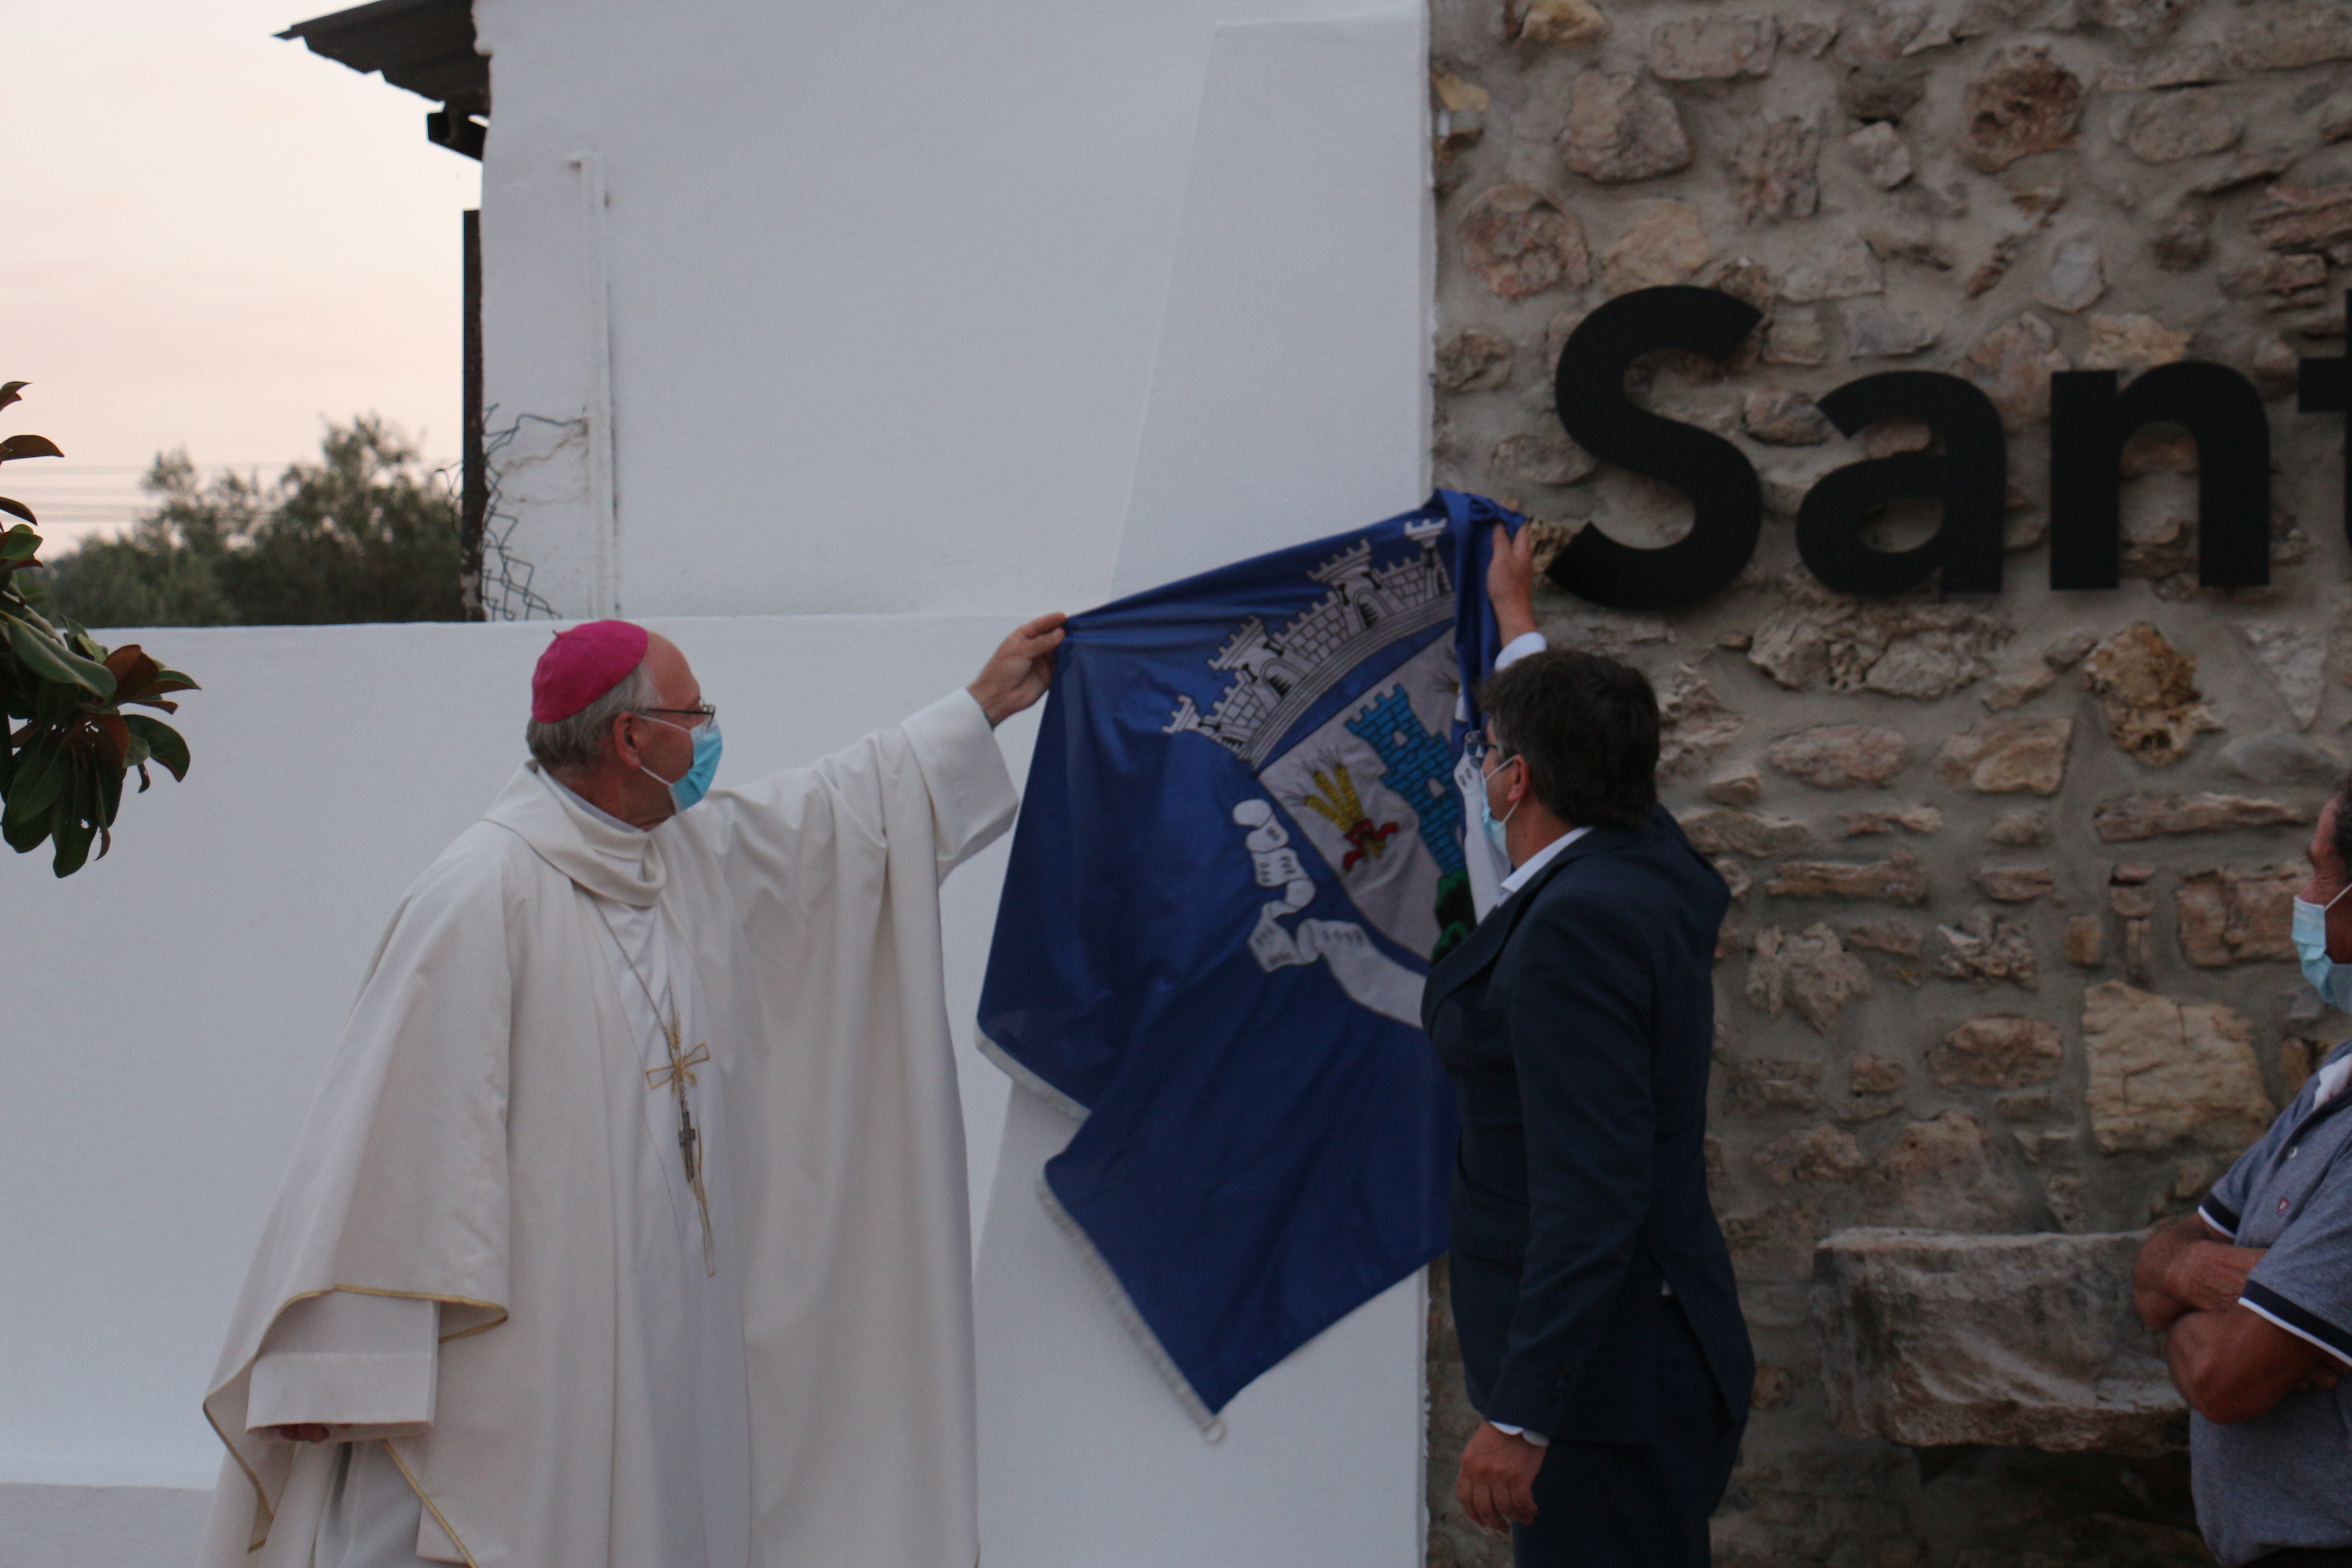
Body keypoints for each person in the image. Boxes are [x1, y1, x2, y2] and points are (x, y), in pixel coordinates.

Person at [195, 613, 1064, 1568]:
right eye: (695, 714)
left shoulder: (675, 857)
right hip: (542, 1364)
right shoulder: (484, 892)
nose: (710, 734)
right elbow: (395, 1139)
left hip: (668, 1344)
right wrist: (341, 1370)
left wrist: (980, 708)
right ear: (630, 738)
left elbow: (834, 817)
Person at [1421, 526, 1753, 1567]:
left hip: (1603, 1392)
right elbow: (1599, 763)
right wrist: (1516, 624)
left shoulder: (1576, 926)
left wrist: (1524, 1415)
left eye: (1489, 757)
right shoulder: (1653, 868)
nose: (1480, 772)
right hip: (1637, 1368)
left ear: (1516, 782)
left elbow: (1593, 1187)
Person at [2134, 775, 2352, 1568]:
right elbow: (2154, 1271)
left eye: (2319, 872)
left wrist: (2188, 1307)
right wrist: (2193, 1271)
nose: (2305, 899)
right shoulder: (2337, 1082)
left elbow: (2228, 1382)